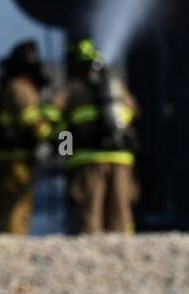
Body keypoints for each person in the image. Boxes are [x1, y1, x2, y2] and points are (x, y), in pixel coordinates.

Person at [48, 38, 140, 234]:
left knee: (88, 215)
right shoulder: (116, 88)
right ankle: (124, 253)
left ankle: (89, 253)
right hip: (121, 159)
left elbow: (50, 115)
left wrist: (62, 147)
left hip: (87, 161)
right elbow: (133, 112)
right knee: (121, 213)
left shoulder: (71, 89)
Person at [0, 39, 52, 235]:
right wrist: (59, 139)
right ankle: (14, 237)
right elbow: (32, 121)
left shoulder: (6, 84)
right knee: (18, 204)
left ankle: (0, 234)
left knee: (1, 203)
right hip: (16, 158)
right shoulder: (21, 88)